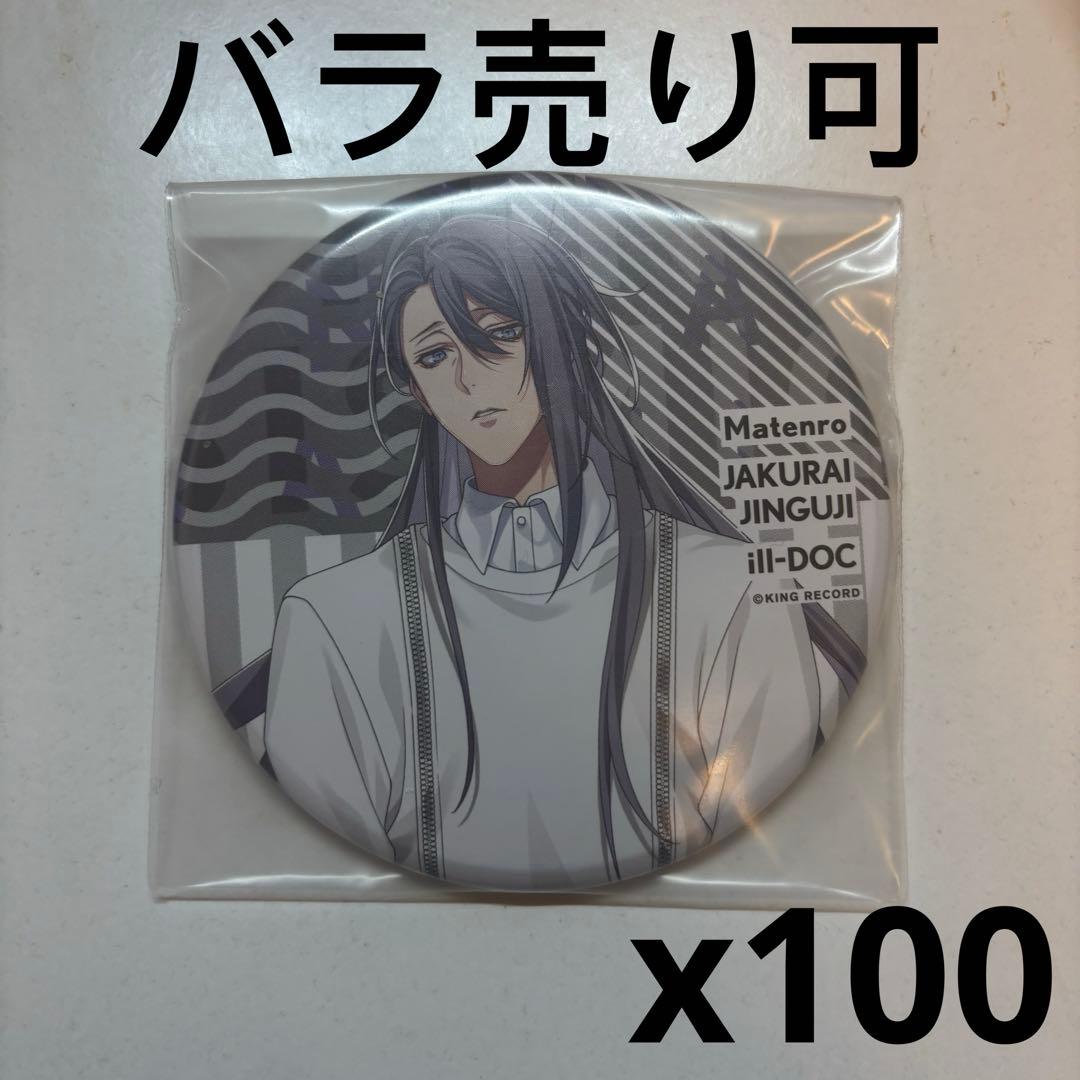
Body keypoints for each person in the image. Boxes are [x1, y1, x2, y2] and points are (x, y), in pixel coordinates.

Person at [262, 215, 863, 890]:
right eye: (433, 356)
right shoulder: (334, 616)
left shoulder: (732, 588)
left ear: (564, 344)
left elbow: (768, 839)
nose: (468, 378)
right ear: (414, 390)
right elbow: (326, 864)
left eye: (500, 334)